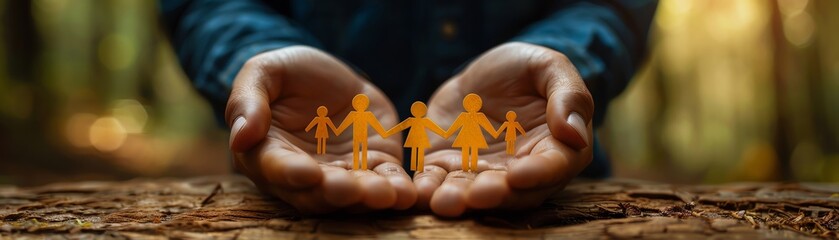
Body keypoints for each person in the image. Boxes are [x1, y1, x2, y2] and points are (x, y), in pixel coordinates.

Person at [161, 0, 657, 216]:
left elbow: (612, 5)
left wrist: (557, 66)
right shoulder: (356, 120)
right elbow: (206, 3)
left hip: (549, 186)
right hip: (293, 178)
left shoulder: (477, 124)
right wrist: (260, 63)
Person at [384, 101, 448, 173]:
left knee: (418, 150)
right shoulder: (413, 120)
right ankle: (415, 166)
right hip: (415, 137)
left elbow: (434, 127)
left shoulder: (422, 120)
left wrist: (444, 134)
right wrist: (445, 134)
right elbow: (401, 126)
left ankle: (418, 166)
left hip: (420, 137)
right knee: (416, 150)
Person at [444, 94, 498, 172]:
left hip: (474, 135)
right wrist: (447, 133)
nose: (472, 107)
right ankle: (465, 167)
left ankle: (473, 167)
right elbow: (456, 126)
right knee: (467, 150)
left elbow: (487, 125)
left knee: (473, 150)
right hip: (466, 135)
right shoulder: (464, 116)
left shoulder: (480, 116)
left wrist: (494, 133)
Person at [334, 94, 388, 171]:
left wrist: (383, 133)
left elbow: (375, 124)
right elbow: (345, 124)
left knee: (363, 149)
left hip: (363, 135)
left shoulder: (368, 115)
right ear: (355, 104)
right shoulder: (353, 114)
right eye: (358, 103)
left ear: (366, 105)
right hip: (356, 135)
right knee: (356, 149)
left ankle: (363, 166)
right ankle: (356, 166)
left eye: (363, 103)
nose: (361, 105)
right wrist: (338, 131)